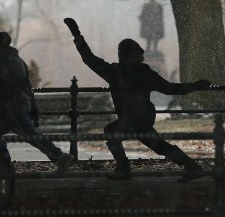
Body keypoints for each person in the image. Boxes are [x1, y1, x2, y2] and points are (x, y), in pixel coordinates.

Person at [64, 17, 210, 182]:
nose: (120, 56)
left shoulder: (115, 72)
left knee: (112, 132)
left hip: (133, 118)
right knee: (158, 145)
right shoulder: (143, 73)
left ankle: (124, 169)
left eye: (121, 53)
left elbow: (89, 59)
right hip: (143, 116)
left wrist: (77, 36)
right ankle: (192, 167)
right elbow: (170, 88)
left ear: (125, 55)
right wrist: (194, 86)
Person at [0, 0, 75, 174]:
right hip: (18, 106)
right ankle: (8, 166)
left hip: (10, 108)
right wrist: (34, 110)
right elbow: (28, 87)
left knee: (28, 135)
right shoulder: (18, 60)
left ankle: (60, 157)